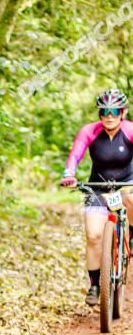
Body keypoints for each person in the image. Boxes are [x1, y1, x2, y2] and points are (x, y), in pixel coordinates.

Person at [62, 89, 133, 306]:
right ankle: (95, 284)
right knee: (93, 236)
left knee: (129, 195)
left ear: (123, 112)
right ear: (100, 114)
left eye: (114, 111)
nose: (109, 115)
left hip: (127, 184)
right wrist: (69, 174)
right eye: (104, 111)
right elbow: (76, 154)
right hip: (97, 188)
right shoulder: (89, 131)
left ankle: (131, 233)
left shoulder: (130, 130)